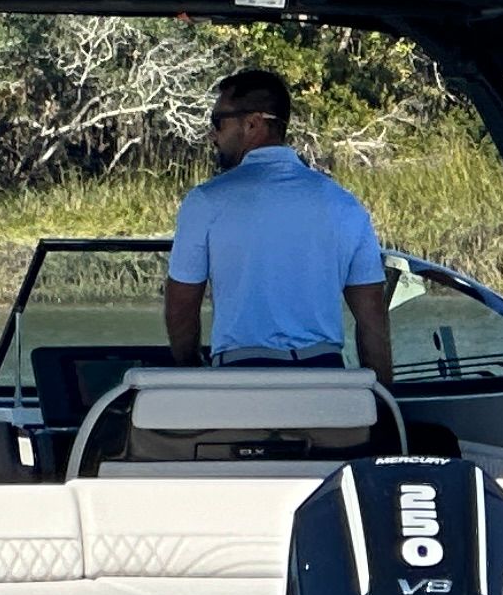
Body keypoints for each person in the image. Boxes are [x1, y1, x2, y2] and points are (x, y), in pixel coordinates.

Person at [161, 67, 392, 374]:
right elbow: (372, 314)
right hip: (326, 381)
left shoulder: (206, 201)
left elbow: (181, 304)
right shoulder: (344, 205)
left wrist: (190, 368)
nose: (212, 135)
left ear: (253, 123)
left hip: (241, 378)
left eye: (217, 122)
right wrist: (381, 402)